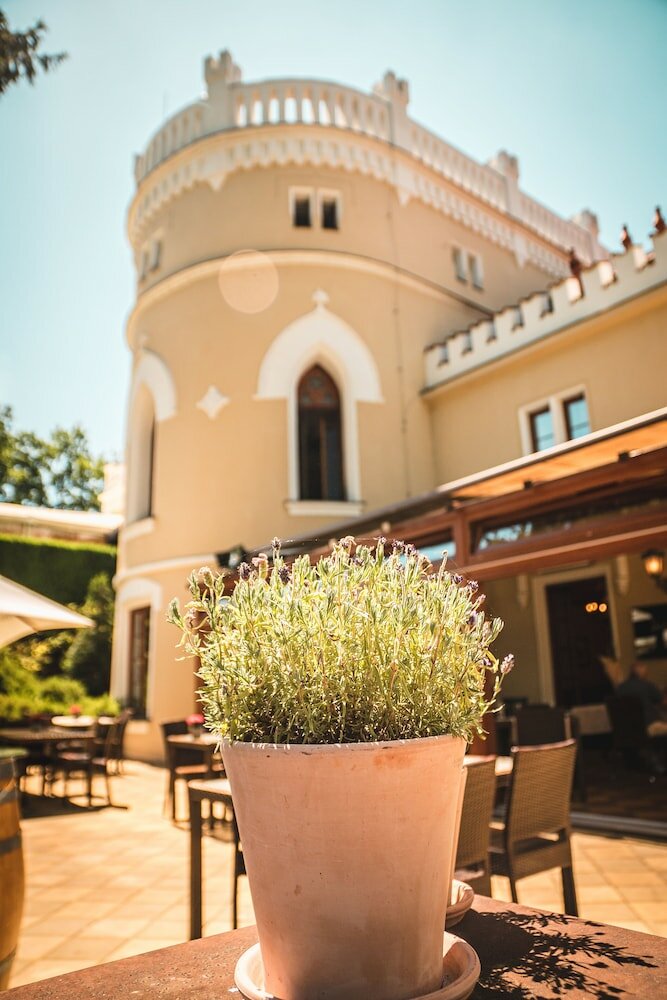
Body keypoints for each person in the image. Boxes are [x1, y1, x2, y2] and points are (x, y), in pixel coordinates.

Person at [617, 661, 667, 737]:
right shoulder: (647, 685)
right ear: (643, 673)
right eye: (646, 673)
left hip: (628, 730)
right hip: (650, 726)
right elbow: (664, 703)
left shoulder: (620, 688)